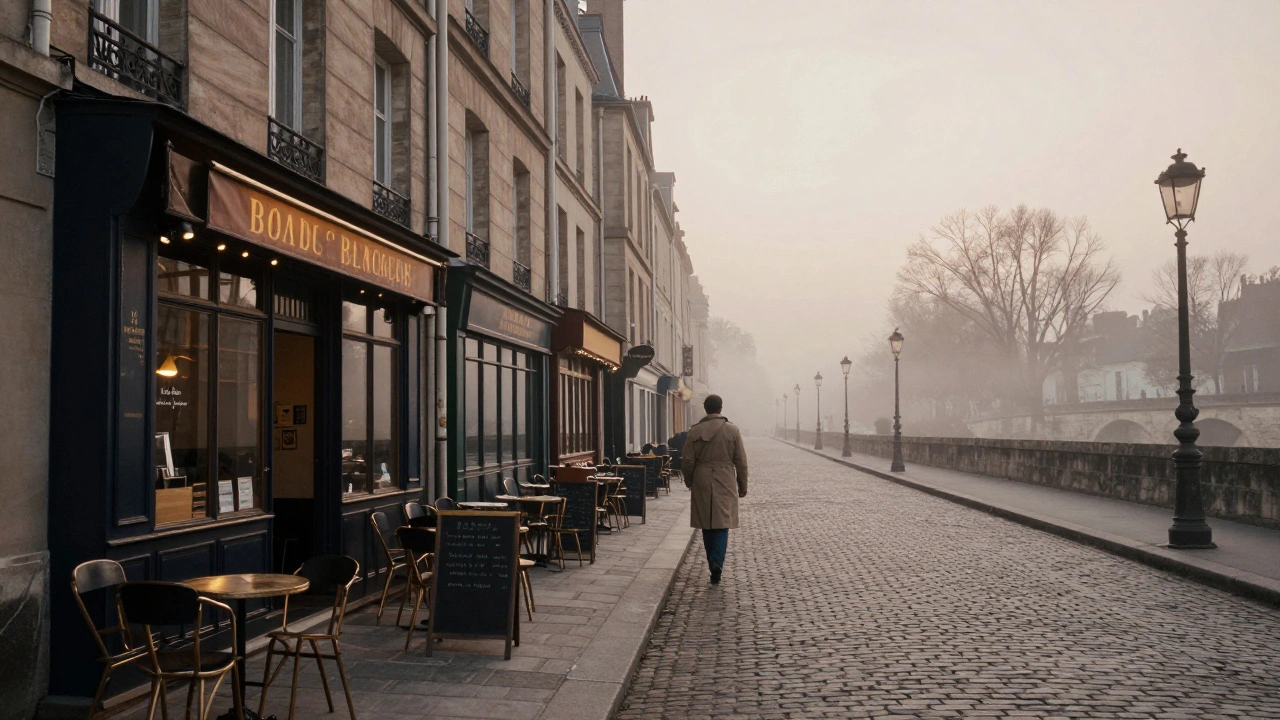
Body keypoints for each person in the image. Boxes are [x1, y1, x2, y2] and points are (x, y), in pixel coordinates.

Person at [681, 394, 748, 584]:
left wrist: (689, 480)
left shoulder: (695, 431)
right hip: (725, 476)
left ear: (705, 409)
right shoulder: (732, 431)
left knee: (706, 521)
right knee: (722, 521)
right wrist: (743, 485)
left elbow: (687, 461)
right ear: (721, 408)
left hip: (702, 476)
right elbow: (741, 461)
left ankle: (712, 560)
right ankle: (717, 561)